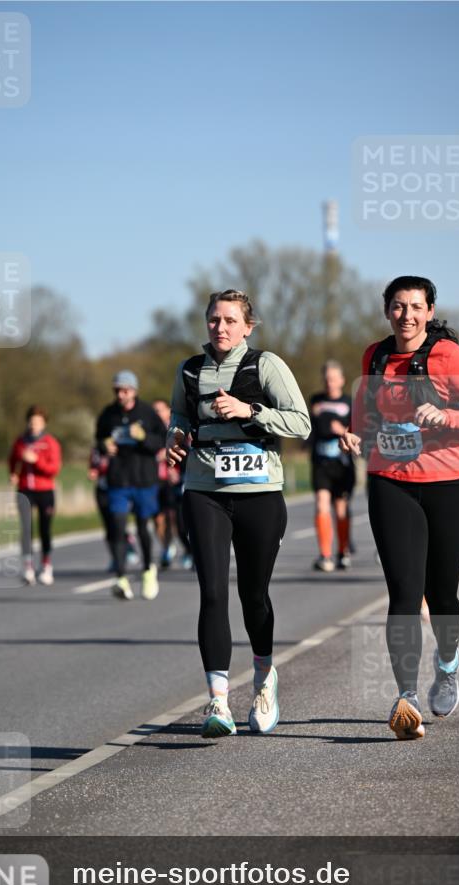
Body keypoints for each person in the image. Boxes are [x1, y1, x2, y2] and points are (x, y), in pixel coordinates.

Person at [340, 276, 459, 740]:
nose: (406, 315)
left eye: (415, 307)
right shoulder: (374, 356)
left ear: (430, 311)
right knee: (404, 594)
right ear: (386, 310)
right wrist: (354, 437)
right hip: (391, 483)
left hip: (450, 485)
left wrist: (448, 416)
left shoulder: (446, 356)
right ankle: (406, 697)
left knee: (443, 593)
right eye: (398, 306)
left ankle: (447, 665)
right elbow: (364, 421)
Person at [166, 289, 311, 739]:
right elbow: (179, 416)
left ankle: (265, 678)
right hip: (204, 491)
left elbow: (301, 423)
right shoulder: (190, 369)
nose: (221, 327)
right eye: (214, 320)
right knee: (212, 592)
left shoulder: (265, 365)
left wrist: (250, 409)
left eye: (230, 320)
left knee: (253, 595)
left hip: (259, 494)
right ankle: (219, 701)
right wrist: (175, 436)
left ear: (248, 326)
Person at [95, 371, 166, 600]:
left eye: (125, 390)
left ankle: (147, 570)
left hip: (144, 479)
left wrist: (143, 437)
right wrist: (104, 446)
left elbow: (161, 442)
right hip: (118, 479)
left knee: (143, 527)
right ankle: (121, 577)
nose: (120, 394)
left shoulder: (147, 413)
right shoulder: (108, 414)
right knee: (117, 526)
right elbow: (99, 440)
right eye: (117, 390)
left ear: (134, 391)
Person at [308, 361, 355, 571]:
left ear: (342, 380)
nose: (330, 382)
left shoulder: (349, 402)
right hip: (320, 462)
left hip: (342, 463)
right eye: (327, 378)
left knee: (341, 507)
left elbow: (357, 429)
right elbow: (312, 426)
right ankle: (325, 555)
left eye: (334, 378)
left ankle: (342, 551)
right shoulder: (315, 400)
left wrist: (340, 429)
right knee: (321, 503)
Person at [9, 405, 62, 585]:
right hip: (25, 490)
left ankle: (46, 566)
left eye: (38, 422)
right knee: (26, 528)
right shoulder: (20, 442)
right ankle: (28, 567)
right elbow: (12, 460)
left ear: (44, 423)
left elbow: (54, 469)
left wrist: (36, 461)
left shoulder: (50, 443)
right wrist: (13, 473)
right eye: (31, 422)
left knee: (45, 529)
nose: (34, 425)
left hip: (45, 490)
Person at [152, 398, 193, 570]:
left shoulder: (177, 428)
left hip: (178, 481)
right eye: (154, 411)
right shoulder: (151, 430)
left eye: (160, 410)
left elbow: (188, 451)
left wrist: (175, 469)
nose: (157, 414)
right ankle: (166, 547)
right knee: (158, 517)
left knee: (178, 518)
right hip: (157, 480)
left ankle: (189, 550)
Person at [88, 447, 141, 572]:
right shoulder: (97, 449)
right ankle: (115, 558)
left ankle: (128, 544)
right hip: (102, 491)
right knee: (108, 526)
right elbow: (93, 466)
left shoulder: (121, 446)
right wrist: (93, 472)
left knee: (118, 523)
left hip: (119, 490)